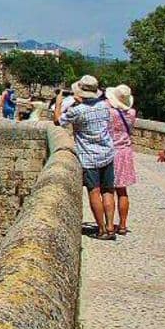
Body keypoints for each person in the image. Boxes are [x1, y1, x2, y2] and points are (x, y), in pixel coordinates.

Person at [55, 75, 117, 240]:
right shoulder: (105, 106)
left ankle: (102, 229)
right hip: (107, 154)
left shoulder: (77, 111)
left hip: (89, 157)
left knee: (94, 191)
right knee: (108, 191)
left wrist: (59, 102)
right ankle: (111, 227)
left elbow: (57, 121)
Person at [105, 85, 137, 235]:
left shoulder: (109, 111)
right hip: (125, 152)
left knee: (108, 189)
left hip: (111, 151)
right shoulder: (132, 113)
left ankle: (109, 224)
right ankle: (123, 225)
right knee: (122, 190)